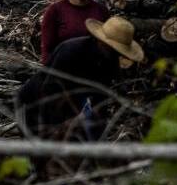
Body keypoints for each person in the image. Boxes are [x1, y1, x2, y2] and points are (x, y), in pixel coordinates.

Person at [17, 16, 145, 141]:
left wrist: (98, 134)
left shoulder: (110, 60)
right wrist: (58, 128)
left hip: (71, 102)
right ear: (102, 41)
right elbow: (50, 91)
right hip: (34, 102)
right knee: (40, 150)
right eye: (114, 49)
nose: (116, 54)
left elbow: (100, 98)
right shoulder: (71, 51)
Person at [39, 0, 110, 64]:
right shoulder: (55, 11)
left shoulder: (101, 11)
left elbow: (109, 47)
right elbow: (47, 50)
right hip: (64, 72)